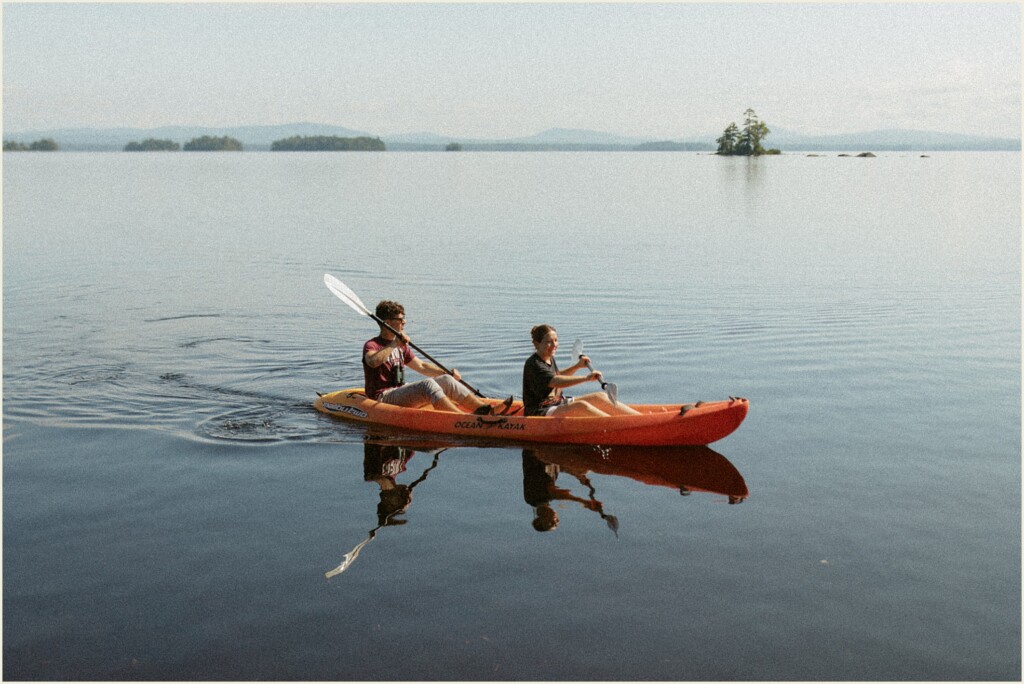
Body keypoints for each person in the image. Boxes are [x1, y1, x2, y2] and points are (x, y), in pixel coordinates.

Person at [363, 300, 512, 415]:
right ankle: (462, 418)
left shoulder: (401, 346)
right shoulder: (372, 345)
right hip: (382, 397)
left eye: (404, 318)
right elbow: (373, 362)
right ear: (387, 323)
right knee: (427, 384)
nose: (404, 322)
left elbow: (421, 366)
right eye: (400, 319)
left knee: (447, 380)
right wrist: (394, 344)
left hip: (399, 390)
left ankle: (485, 410)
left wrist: (446, 373)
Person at [522, 324, 641, 417]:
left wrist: (577, 366)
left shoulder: (549, 358)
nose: (554, 345)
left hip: (558, 403)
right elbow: (555, 381)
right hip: (540, 411)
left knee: (600, 396)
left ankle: (639, 419)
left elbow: (557, 375)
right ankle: (620, 426)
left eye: (556, 340)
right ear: (536, 344)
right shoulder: (534, 364)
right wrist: (586, 378)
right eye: (549, 342)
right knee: (581, 406)